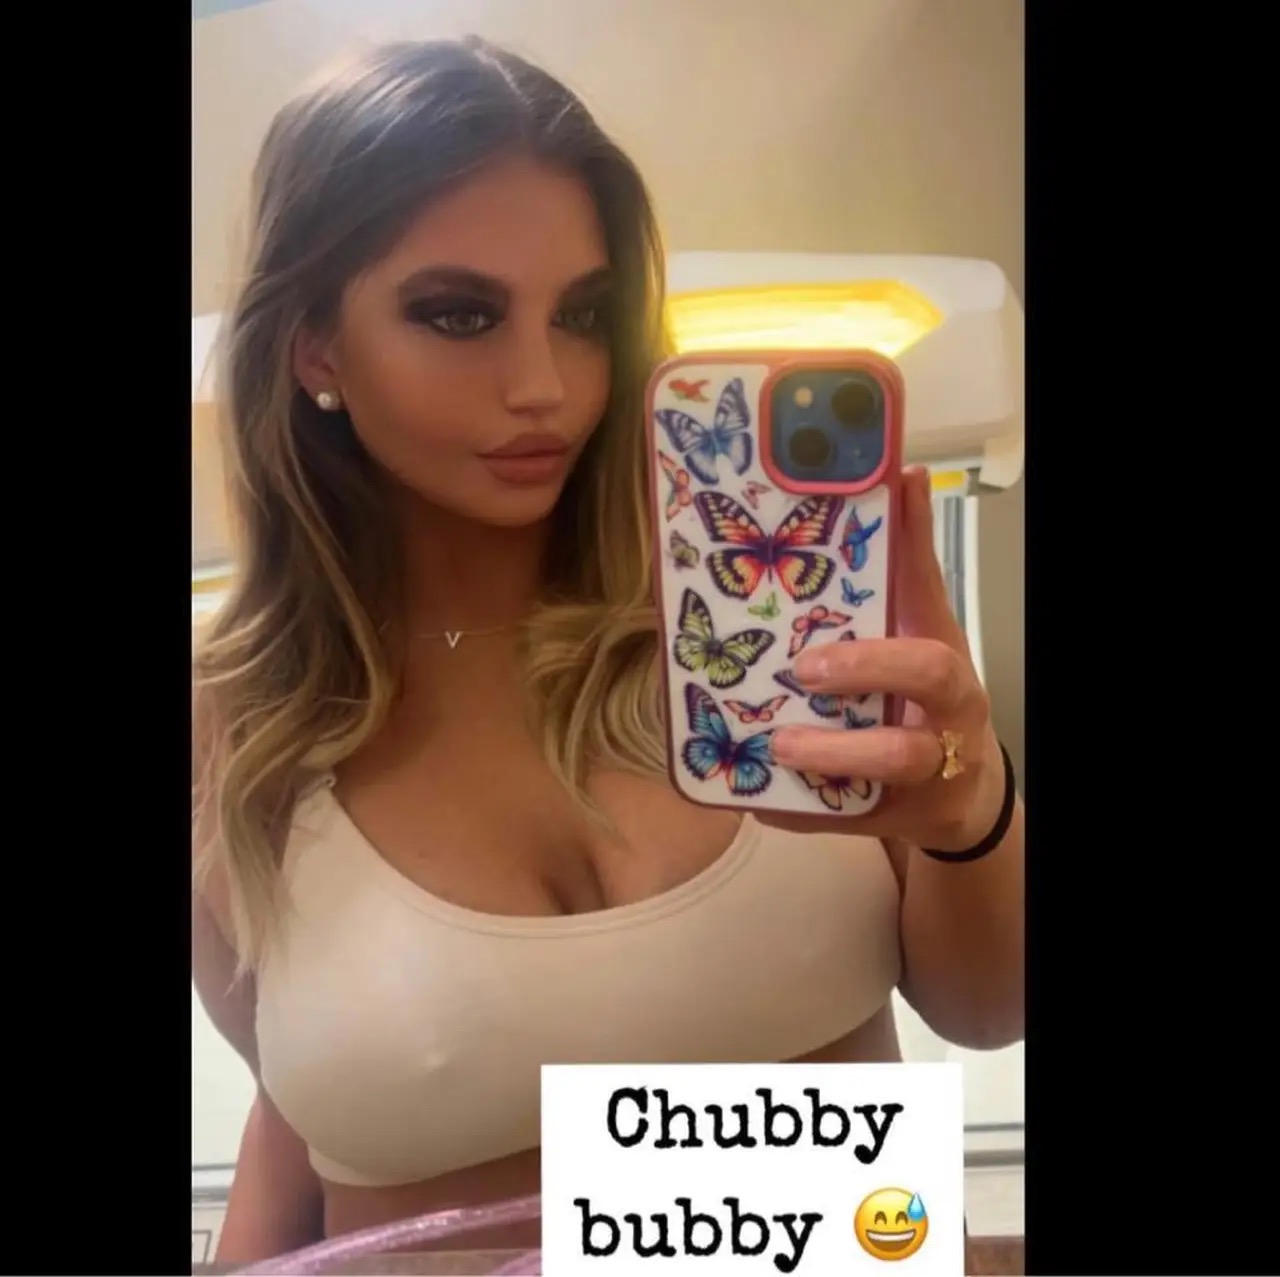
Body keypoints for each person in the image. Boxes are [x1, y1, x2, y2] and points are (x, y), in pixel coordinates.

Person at [191, 35, 1024, 1264]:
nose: (543, 384)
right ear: (314, 343)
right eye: (459, 314)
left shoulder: (760, 619)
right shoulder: (232, 721)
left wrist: (970, 809)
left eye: (582, 315)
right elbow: (306, 1105)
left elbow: (989, 1006)